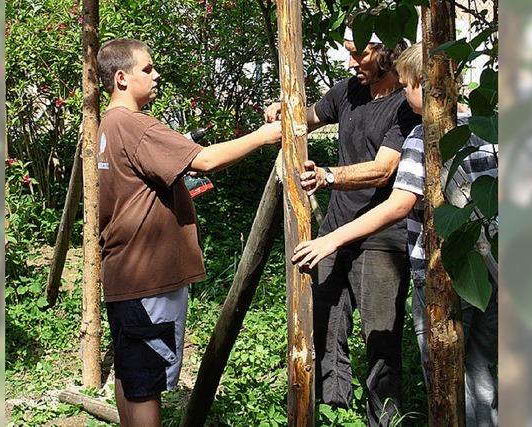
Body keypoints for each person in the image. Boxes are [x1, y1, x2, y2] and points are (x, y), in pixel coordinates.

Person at [292, 42, 499, 426]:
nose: (405, 94)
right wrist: (283, 115)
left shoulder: (423, 133)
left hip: (436, 269)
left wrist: (329, 229)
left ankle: (389, 418)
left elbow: (396, 198)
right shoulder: (492, 127)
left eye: (408, 85)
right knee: (481, 374)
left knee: (440, 370)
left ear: (424, 84)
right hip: (490, 271)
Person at [96, 38, 282, 427]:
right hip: (149, 278)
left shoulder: (108, 124)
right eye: (147, 69)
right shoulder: (135, 125)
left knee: (131, 375)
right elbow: (206, 159)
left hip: (123, 272)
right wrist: (264, 136)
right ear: (121, 78)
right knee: (146, 381)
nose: (156, 74)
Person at [265, 28, 420, 425]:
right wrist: (283, 111)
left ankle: (382, 418)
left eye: (358, 55)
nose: (351, 63)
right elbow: (307, 118)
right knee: (325, 326)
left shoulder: (406, 104)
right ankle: (333, 411)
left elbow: (385, 169)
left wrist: (330, 176)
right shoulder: (346, 91)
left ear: (383, 51)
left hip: (382, 240)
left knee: (379, 338)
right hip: (335, 232)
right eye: (348, 54)